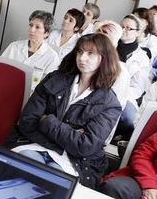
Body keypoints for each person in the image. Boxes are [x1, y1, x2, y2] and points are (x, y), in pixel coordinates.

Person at [9, 34, 122, 189]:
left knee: (54, 179)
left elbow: (85, 146)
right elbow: (28, 120)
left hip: (75, 162)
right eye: (80, 52)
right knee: (27, 163)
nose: (82, 58)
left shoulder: (110, 103)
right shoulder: (55, 79)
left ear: (104, 58)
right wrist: (70, 135)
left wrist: (46, 121)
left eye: (90, 54)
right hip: (35, 145)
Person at [1, 10, 59, 90]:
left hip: (31, 97)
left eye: (37, 27)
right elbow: (0, 70)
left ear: (47, 33)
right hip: (6, 89)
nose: (31, 30)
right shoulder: (14, 46)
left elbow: (47, 86)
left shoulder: (52, 57)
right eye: (30, 25)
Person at [114, 14, 151, 138]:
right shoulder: (110, 47)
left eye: (128, 28)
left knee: (128, 118)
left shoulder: (142, 57)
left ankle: (113, 135)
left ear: (138, 32)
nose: (124, 30)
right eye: (122, 26)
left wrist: (119, 95)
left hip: (127, 95)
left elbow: (137, 88)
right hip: (102, 90)